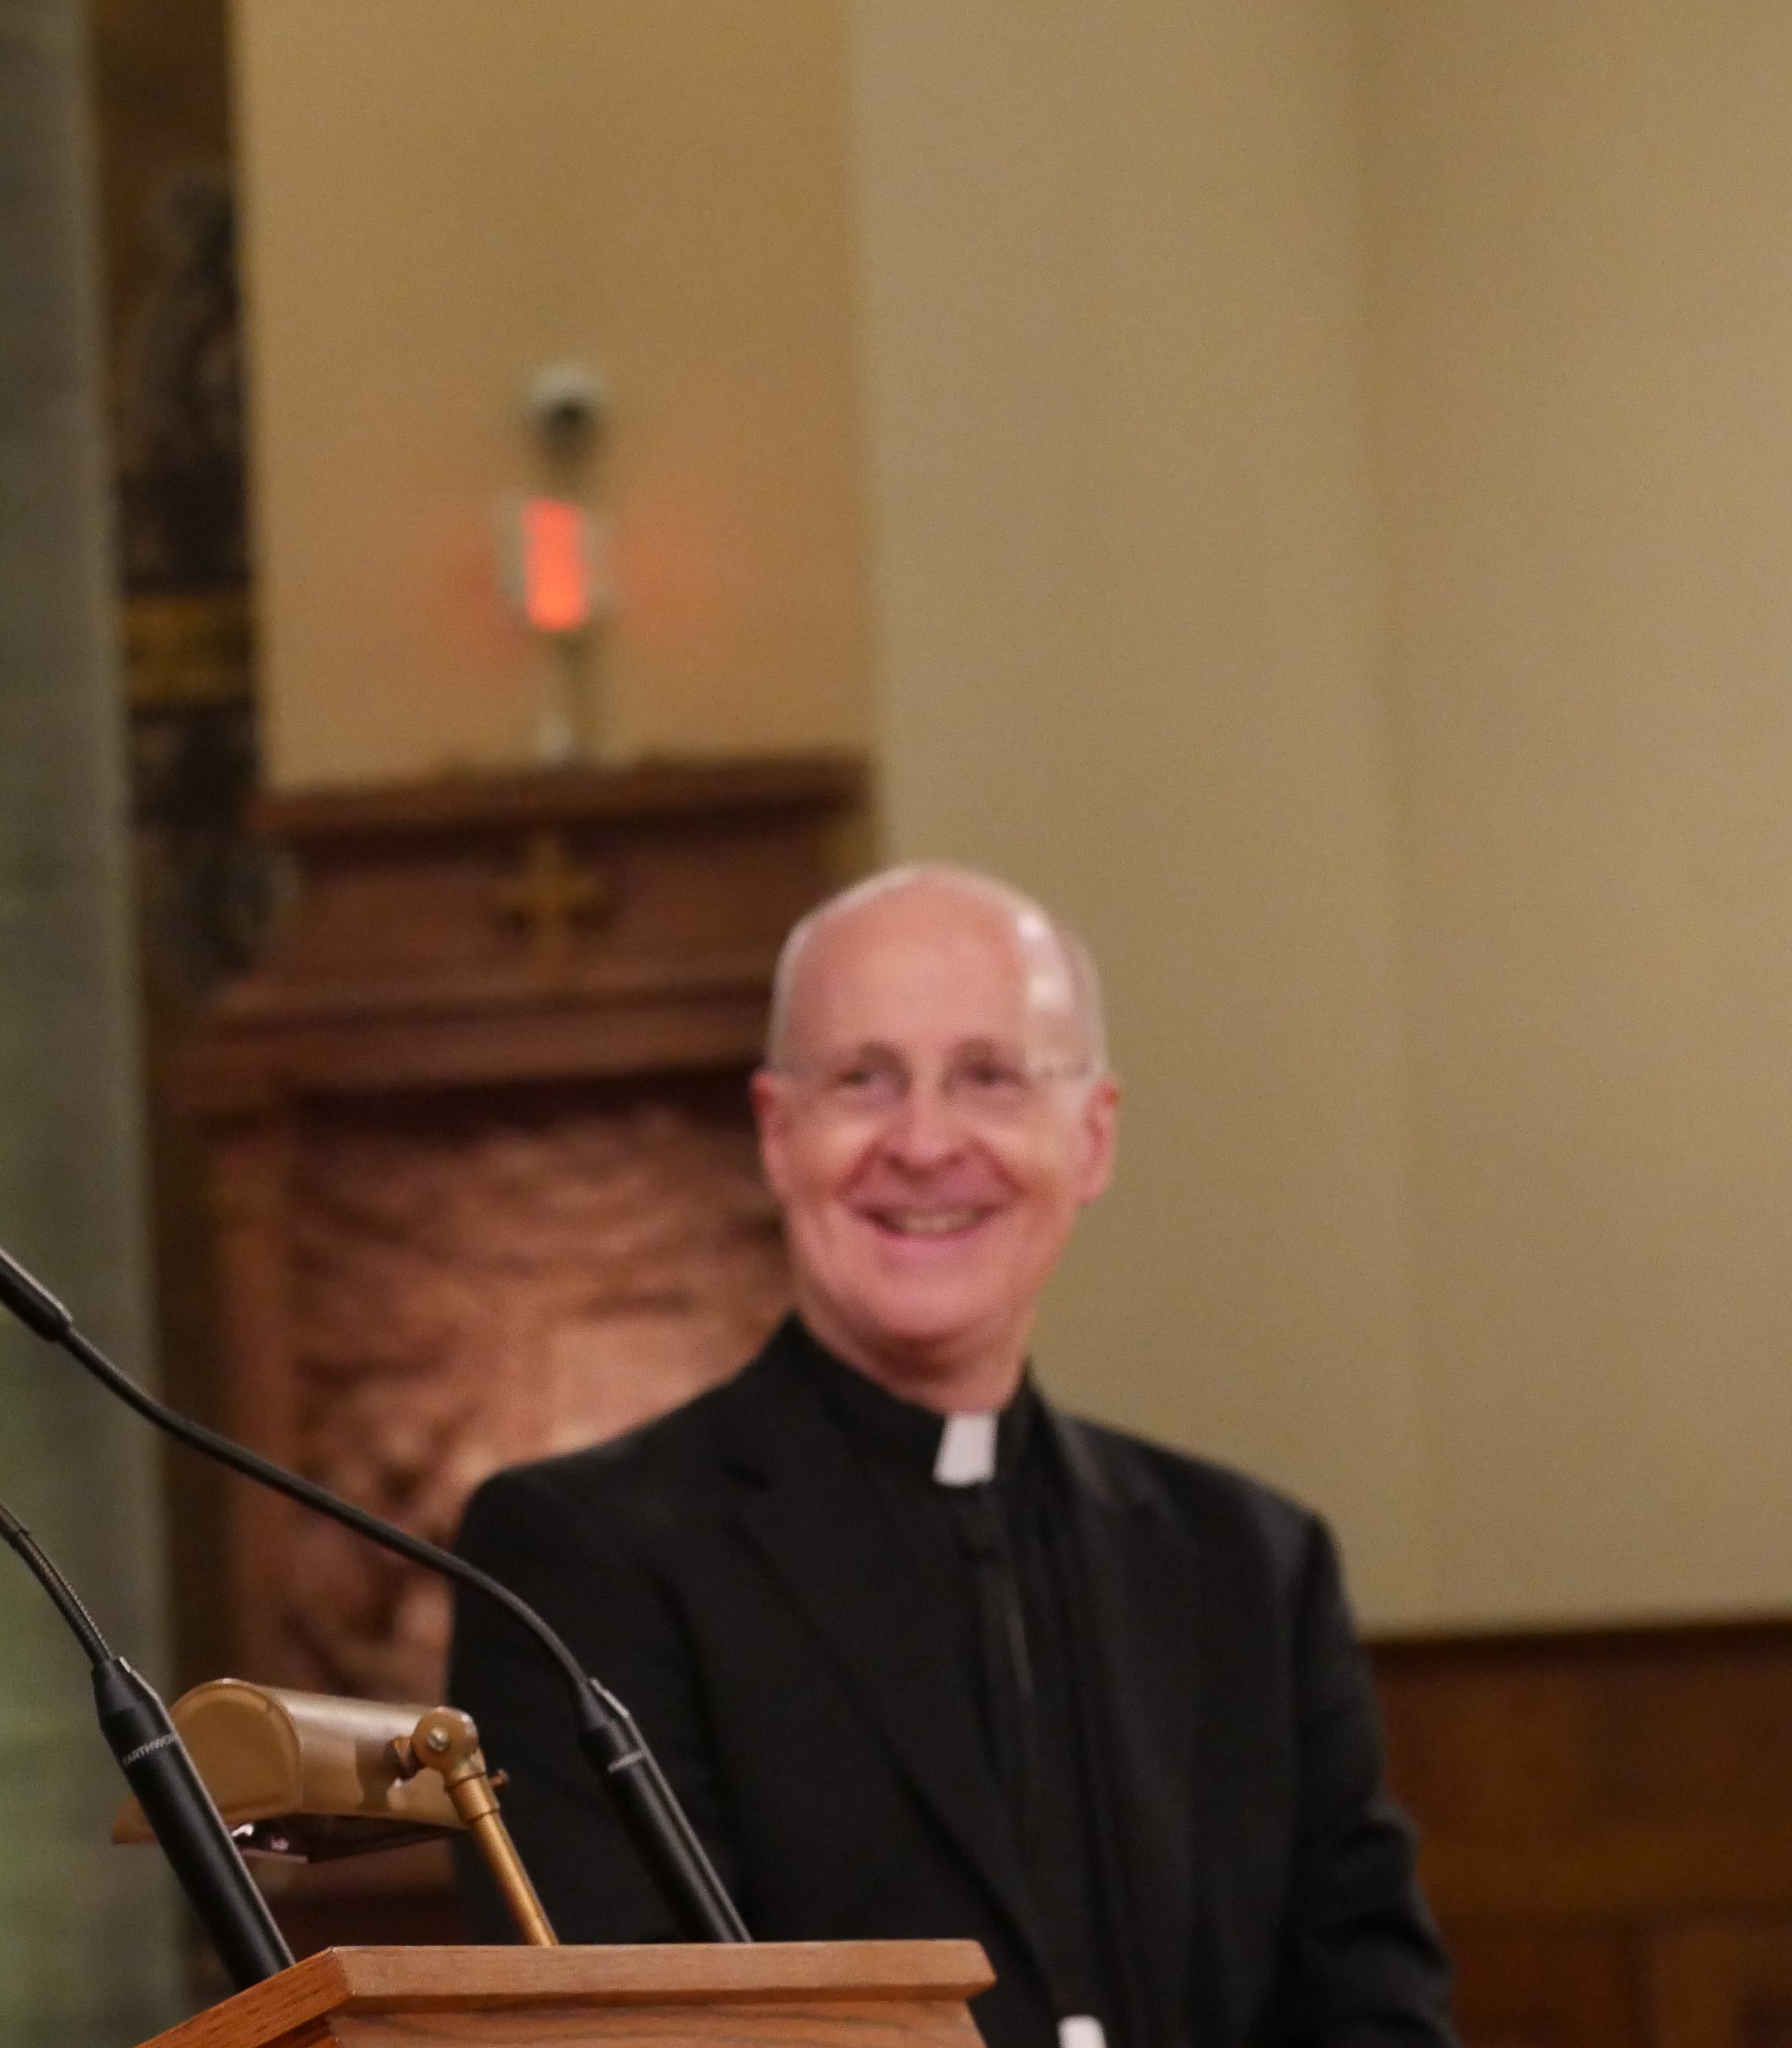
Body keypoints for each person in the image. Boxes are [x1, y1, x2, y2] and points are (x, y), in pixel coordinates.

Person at [446, 865, 1455, 2048]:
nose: (924, 1144)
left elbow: (1374, 2019)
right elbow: (645, 2036)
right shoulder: (581, 1565)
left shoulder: (1254, 1567)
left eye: (990, 1077)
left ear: (1092, 1138)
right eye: (864, 1081)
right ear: (778, 1135)